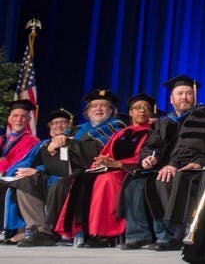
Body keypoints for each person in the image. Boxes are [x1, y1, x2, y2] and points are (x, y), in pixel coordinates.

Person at [120, 74, 205, 251]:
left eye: (188, 93)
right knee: (134, 181)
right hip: (167, 167)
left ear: (195, 97)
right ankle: (139, 235)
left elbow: (194, 145)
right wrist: (147, 158)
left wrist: (178, 164)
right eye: (180, 93)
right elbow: (149, 146)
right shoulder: (163, 122)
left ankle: (171, 236)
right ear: (171, 99)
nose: (184, 97)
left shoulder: (203, 115)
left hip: (194, 165)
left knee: (165, 179)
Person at [16, 89, 125, 247]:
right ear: (87, 111)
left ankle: (50, 232)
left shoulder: (115, 126)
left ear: (112, 110)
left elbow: (95, 149)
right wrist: (55, 142)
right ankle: (39, 229)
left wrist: (66, 142)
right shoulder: (79, 128)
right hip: (64, 169)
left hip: (91, 171)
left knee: (63, 183)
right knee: (26, 182)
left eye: (104, 105)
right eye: (94, 106)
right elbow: (57, 143)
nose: (98, 108)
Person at [54, 93, 156, 247]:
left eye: (146, 108)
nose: (141, 111)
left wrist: (118, 164)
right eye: (137, 108)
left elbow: (147, 156)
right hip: (113, 168)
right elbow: (105, 153)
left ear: (151, 112)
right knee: (84, 177)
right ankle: (84, 231)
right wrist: (100, 162)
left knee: (106, 180)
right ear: (130, 112)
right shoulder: (122, 133)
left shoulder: (154, 131)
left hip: (131, 171)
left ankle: (104, 233)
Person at [0, 100, 43, 243]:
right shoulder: (2, 140)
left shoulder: (32, 141)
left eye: (23, 116)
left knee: (12, 187)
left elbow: (27, 162)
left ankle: (18, 230)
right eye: (15, 115)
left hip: (14, 175)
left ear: (29, 120)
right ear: (9, 118)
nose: (19, 119)